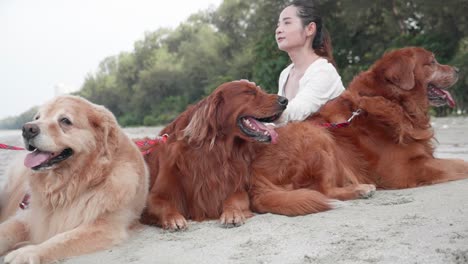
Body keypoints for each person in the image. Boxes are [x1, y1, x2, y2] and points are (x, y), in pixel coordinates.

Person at [274, 0, 344, 125]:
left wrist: (263, 115)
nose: (279, 30)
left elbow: (297, 112)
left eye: (287, 23)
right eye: (278, 25)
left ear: (310, 29)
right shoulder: (285, 74)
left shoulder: (324, 72)